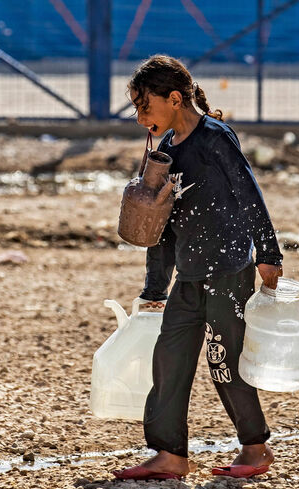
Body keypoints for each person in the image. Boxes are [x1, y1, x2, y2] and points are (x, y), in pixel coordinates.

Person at [112, 54, 283, 481]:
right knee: (169, 359)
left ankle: (255, 448)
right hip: (188, 277)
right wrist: (154, 289)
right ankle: (171, 454)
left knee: (225, 361)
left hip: (228, 271)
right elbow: (160, 228)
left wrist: (268, 253)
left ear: (174, 98)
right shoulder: (164, 153)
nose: (139, 118)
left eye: (143, 106)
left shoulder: (215, 138)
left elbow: (249, 193)